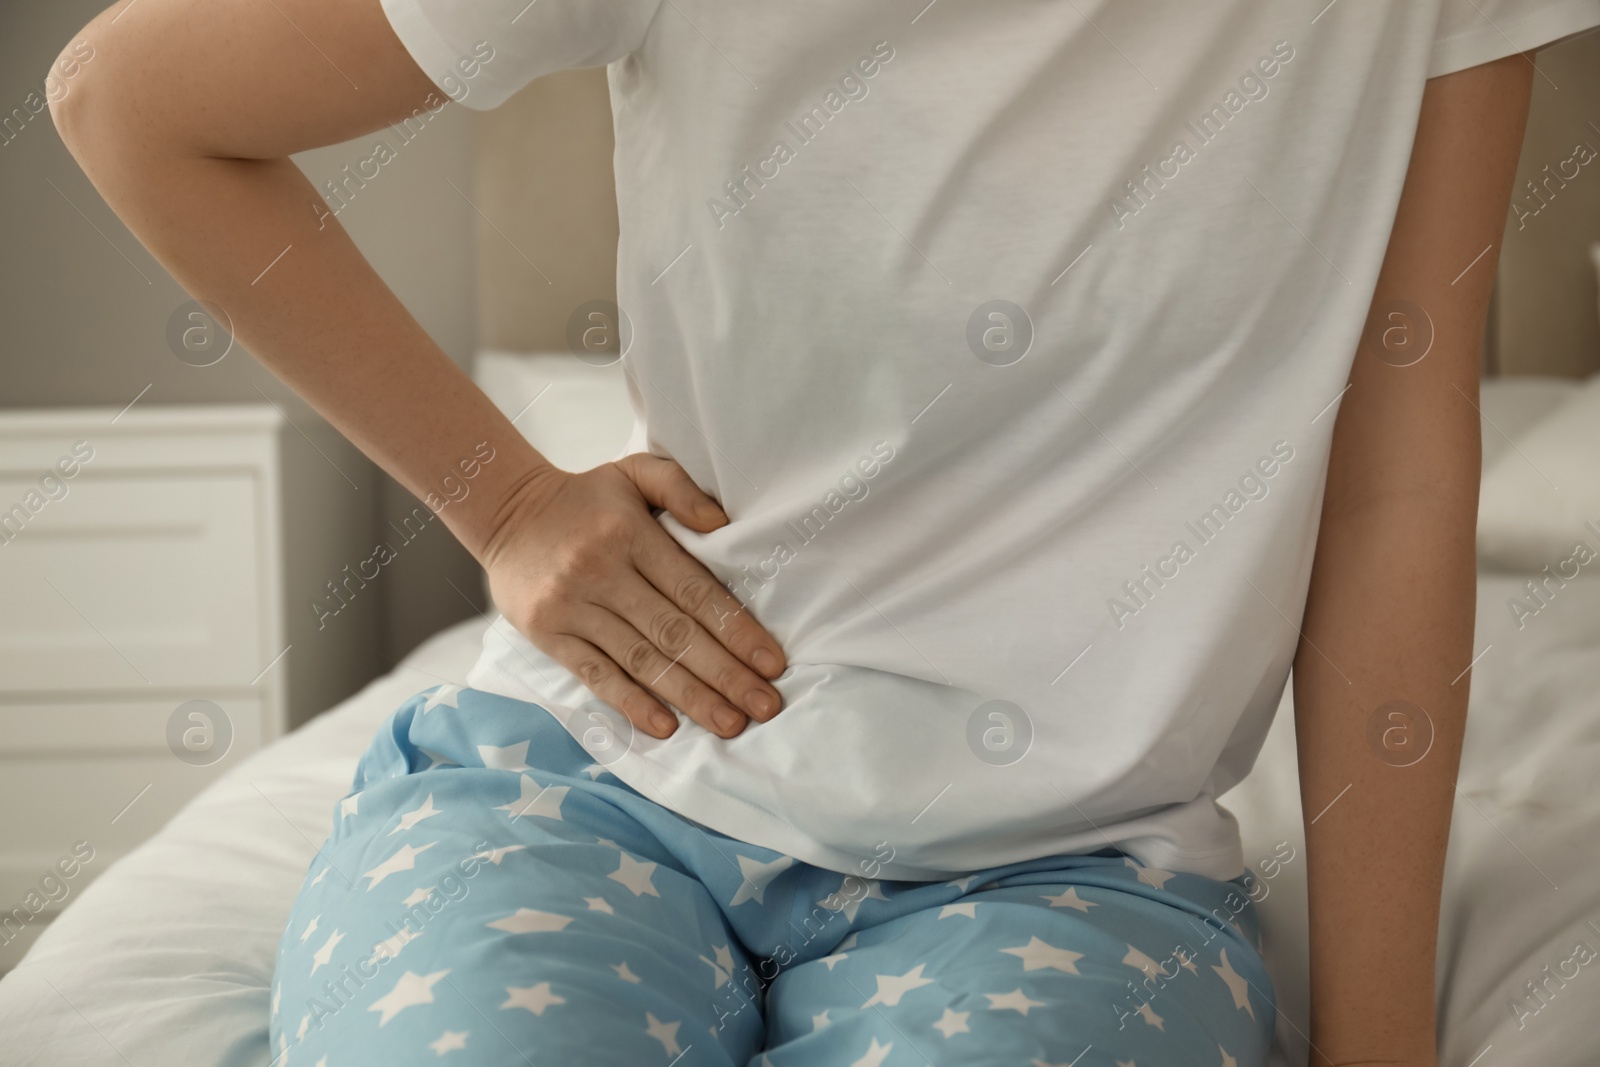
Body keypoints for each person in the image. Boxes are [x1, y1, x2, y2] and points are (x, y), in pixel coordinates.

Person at [48, 0, 1599, 1063]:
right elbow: (127, 101)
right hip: (586, 787)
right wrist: (508, 500)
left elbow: (1397, 469)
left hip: (1072, 873)